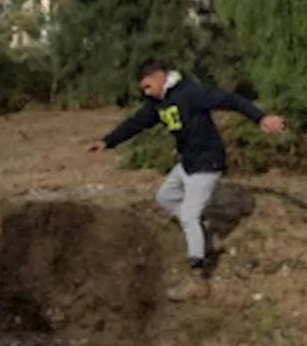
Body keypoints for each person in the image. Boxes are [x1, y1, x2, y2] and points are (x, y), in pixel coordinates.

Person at [88, 59, 285, 301]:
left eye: (147, 84)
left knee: (190, 215)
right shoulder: (157, 103)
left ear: (160, 76)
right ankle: (202, 236)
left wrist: (261, 118)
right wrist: (108, 141)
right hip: (187, 163)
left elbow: (230, 100)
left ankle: (197, 278)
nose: (144, 89)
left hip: (207, 162)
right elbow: (136, 123)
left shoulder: (191, 92)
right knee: (165, 197)